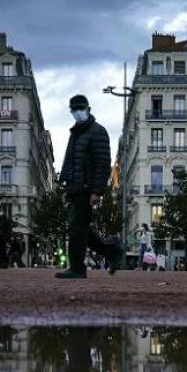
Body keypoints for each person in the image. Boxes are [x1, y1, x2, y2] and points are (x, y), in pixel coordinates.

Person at [55, 94, 114, 279]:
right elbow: (70, 161)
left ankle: (78, 268)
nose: (78, 112)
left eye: (81, 109)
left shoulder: (98, 131)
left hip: (87, 188)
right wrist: (65, 187)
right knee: (81, 229)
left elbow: (104, 163)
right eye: (75, 110)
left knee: (76, 228)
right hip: (76, 188)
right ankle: (113, 252)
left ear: (88, 109)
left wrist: (97, 190)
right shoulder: (76, 133)